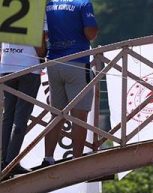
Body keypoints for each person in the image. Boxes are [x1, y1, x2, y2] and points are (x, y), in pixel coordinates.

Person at [40, 0, 98, 168]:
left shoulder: (48, 4)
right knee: (79, 117)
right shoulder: (83, 3)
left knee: (56, 115)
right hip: (78, 63)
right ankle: (77, 161)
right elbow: (90, 33)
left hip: (53, 63)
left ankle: (48, 158)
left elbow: (44, 34)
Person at [1, 27, 47, 177]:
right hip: (28, 65)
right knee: (21, 116)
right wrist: (42, 55)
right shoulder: (36, 6)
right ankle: (11, 162)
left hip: (6, 65)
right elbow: (39, 38)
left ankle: (3, 160)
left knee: (7, 115)